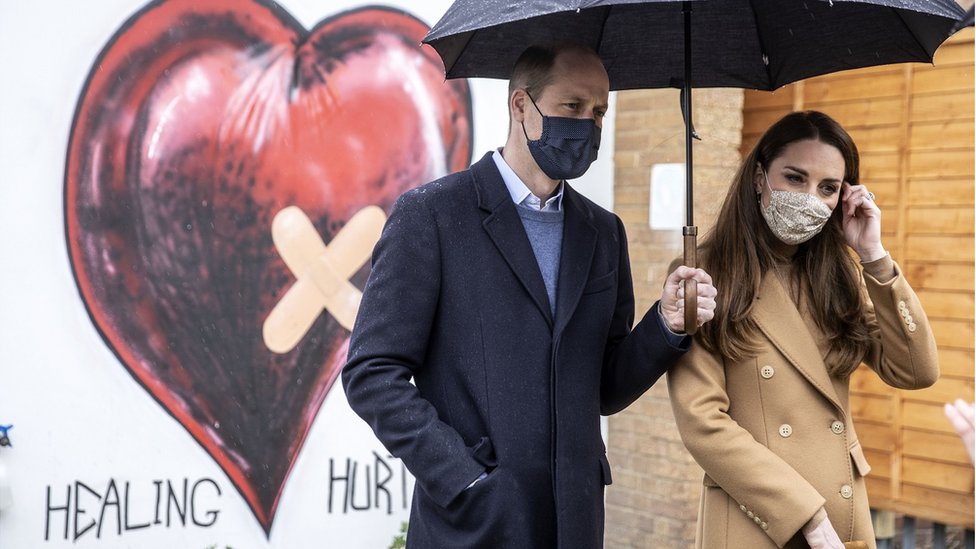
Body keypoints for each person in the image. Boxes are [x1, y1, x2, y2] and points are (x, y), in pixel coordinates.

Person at [342, 43, 716, 549]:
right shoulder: (431, 216)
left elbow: (603, 386)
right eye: (572, 107)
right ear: (521, 105)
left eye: (599, 111)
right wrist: (461, 477)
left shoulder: (603, 232)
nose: (588, 124)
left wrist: (667, 325)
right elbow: (372, 372)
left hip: (575, 522)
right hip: (474, 524)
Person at [667, 111, 939, 549]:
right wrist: (807, 516)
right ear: (760, 177)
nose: (811, 197)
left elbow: (916, 370)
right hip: (756, 516)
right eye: (795, 178)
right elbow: (703, 423)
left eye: (828, 188)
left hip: (843, 515)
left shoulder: (839, 275)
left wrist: (873, 254)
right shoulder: (705, 272)